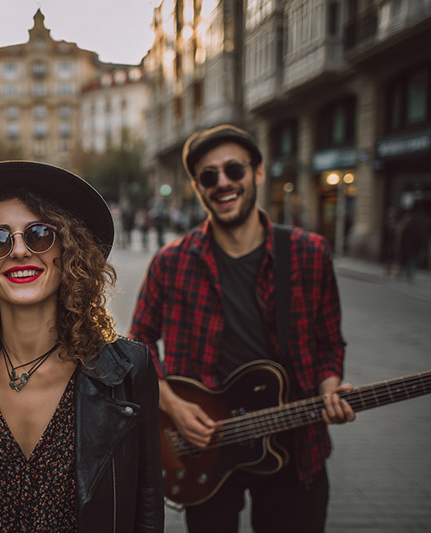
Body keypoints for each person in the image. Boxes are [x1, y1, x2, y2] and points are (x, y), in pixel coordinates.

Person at [129, 125, 356, 533]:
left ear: (258, 173)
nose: (223, 182)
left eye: (234, 169)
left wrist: (330, 388)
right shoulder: (171, 262)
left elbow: (328, 344)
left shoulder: (309, 253)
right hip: (204, 449)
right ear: (198, 187)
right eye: (208, 176)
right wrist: (174, 406)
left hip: (295, 444)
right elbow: (138, 344)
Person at [0, 161, 164, 532]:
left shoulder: (128, 370)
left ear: (68, 250)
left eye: (38, 235)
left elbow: (146, 507)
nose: (19, 251)